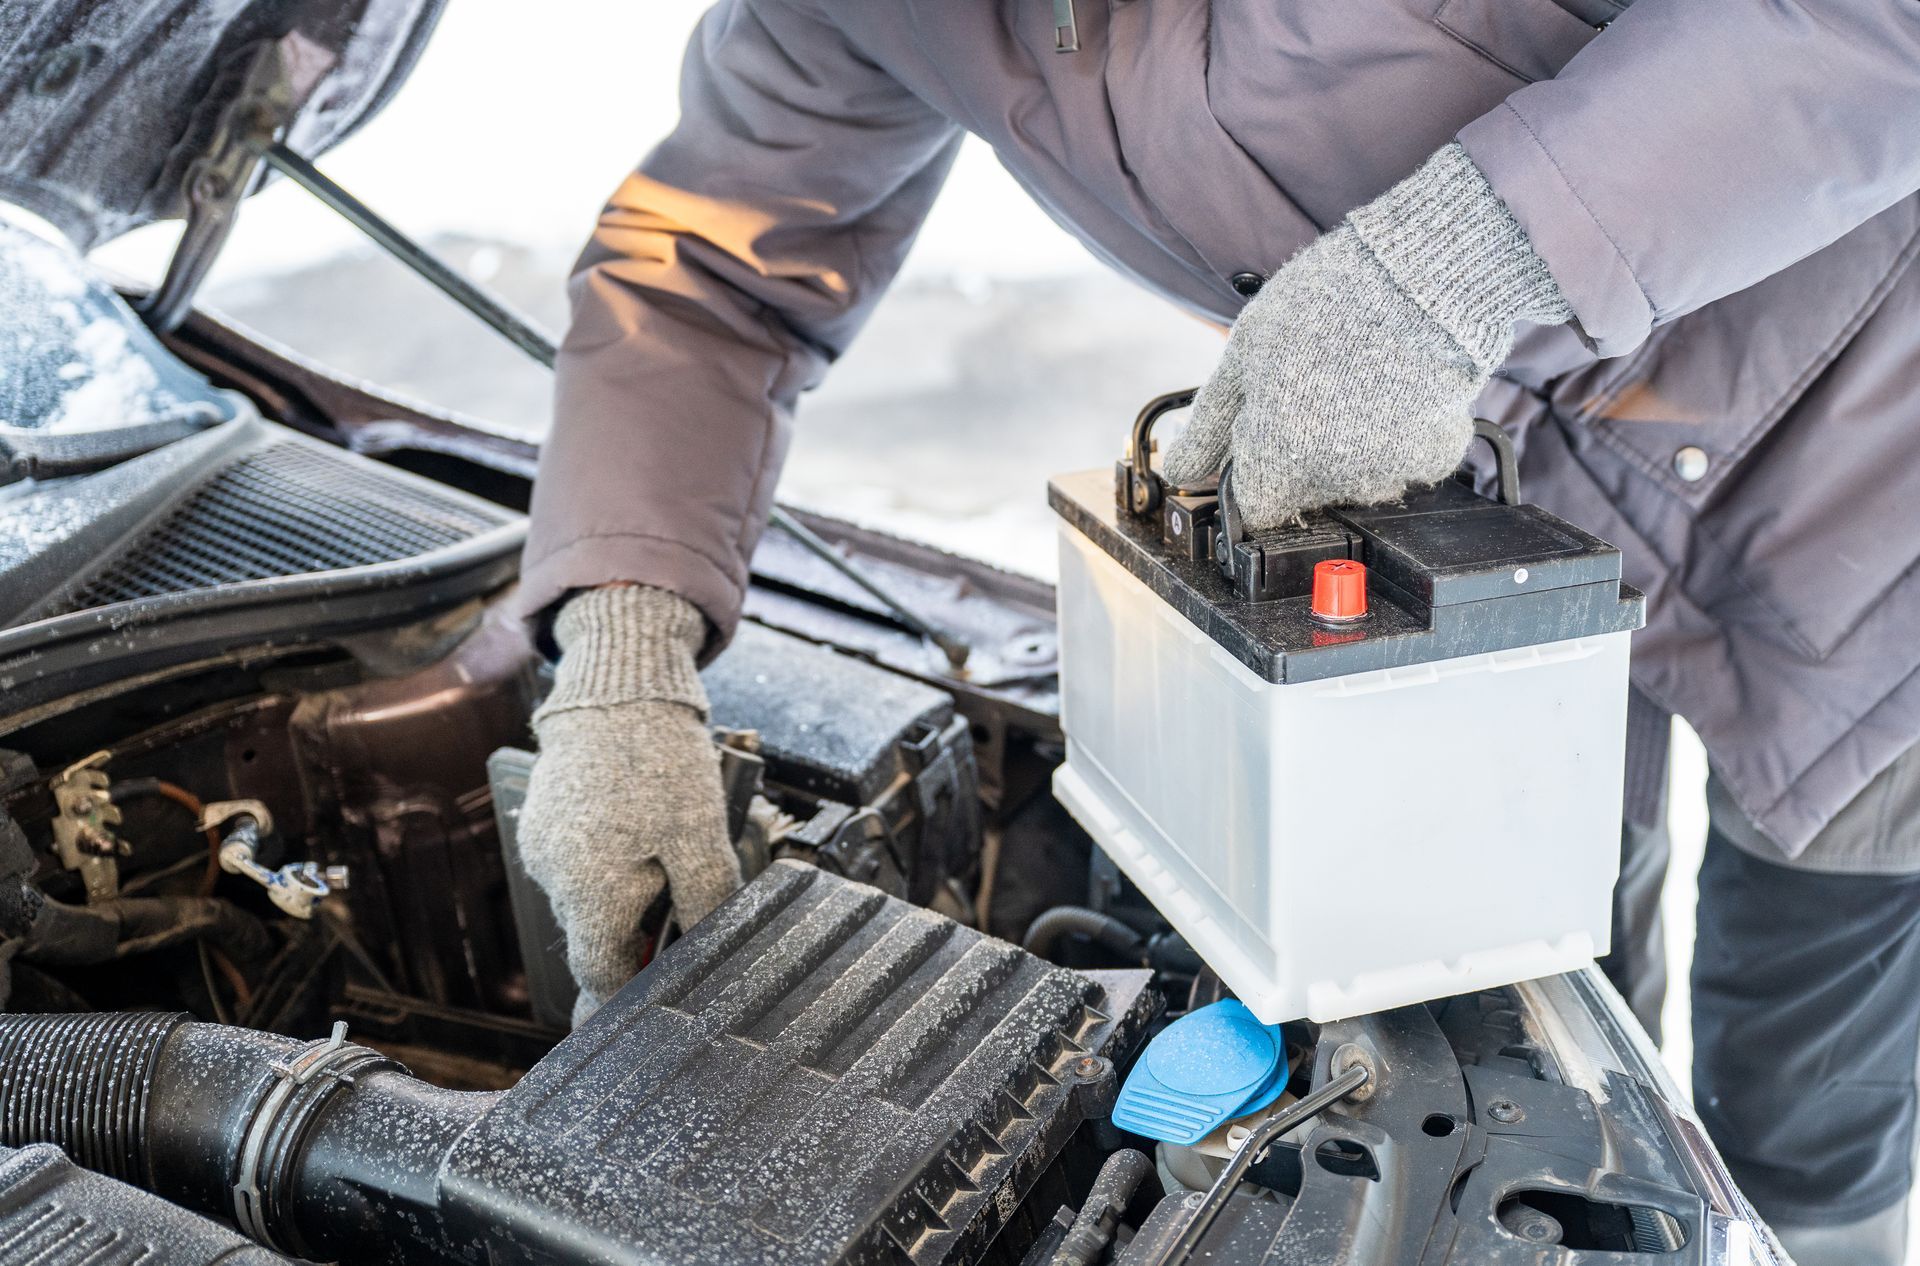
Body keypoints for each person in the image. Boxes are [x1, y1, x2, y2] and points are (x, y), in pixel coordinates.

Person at [512, 3, 1920, 1261]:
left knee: (1799, 1103)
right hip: (1463, 546)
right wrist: (624, 651)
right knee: (1532, 1048)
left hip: (1866, 482)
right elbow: (707, 272)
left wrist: (1464, 263)